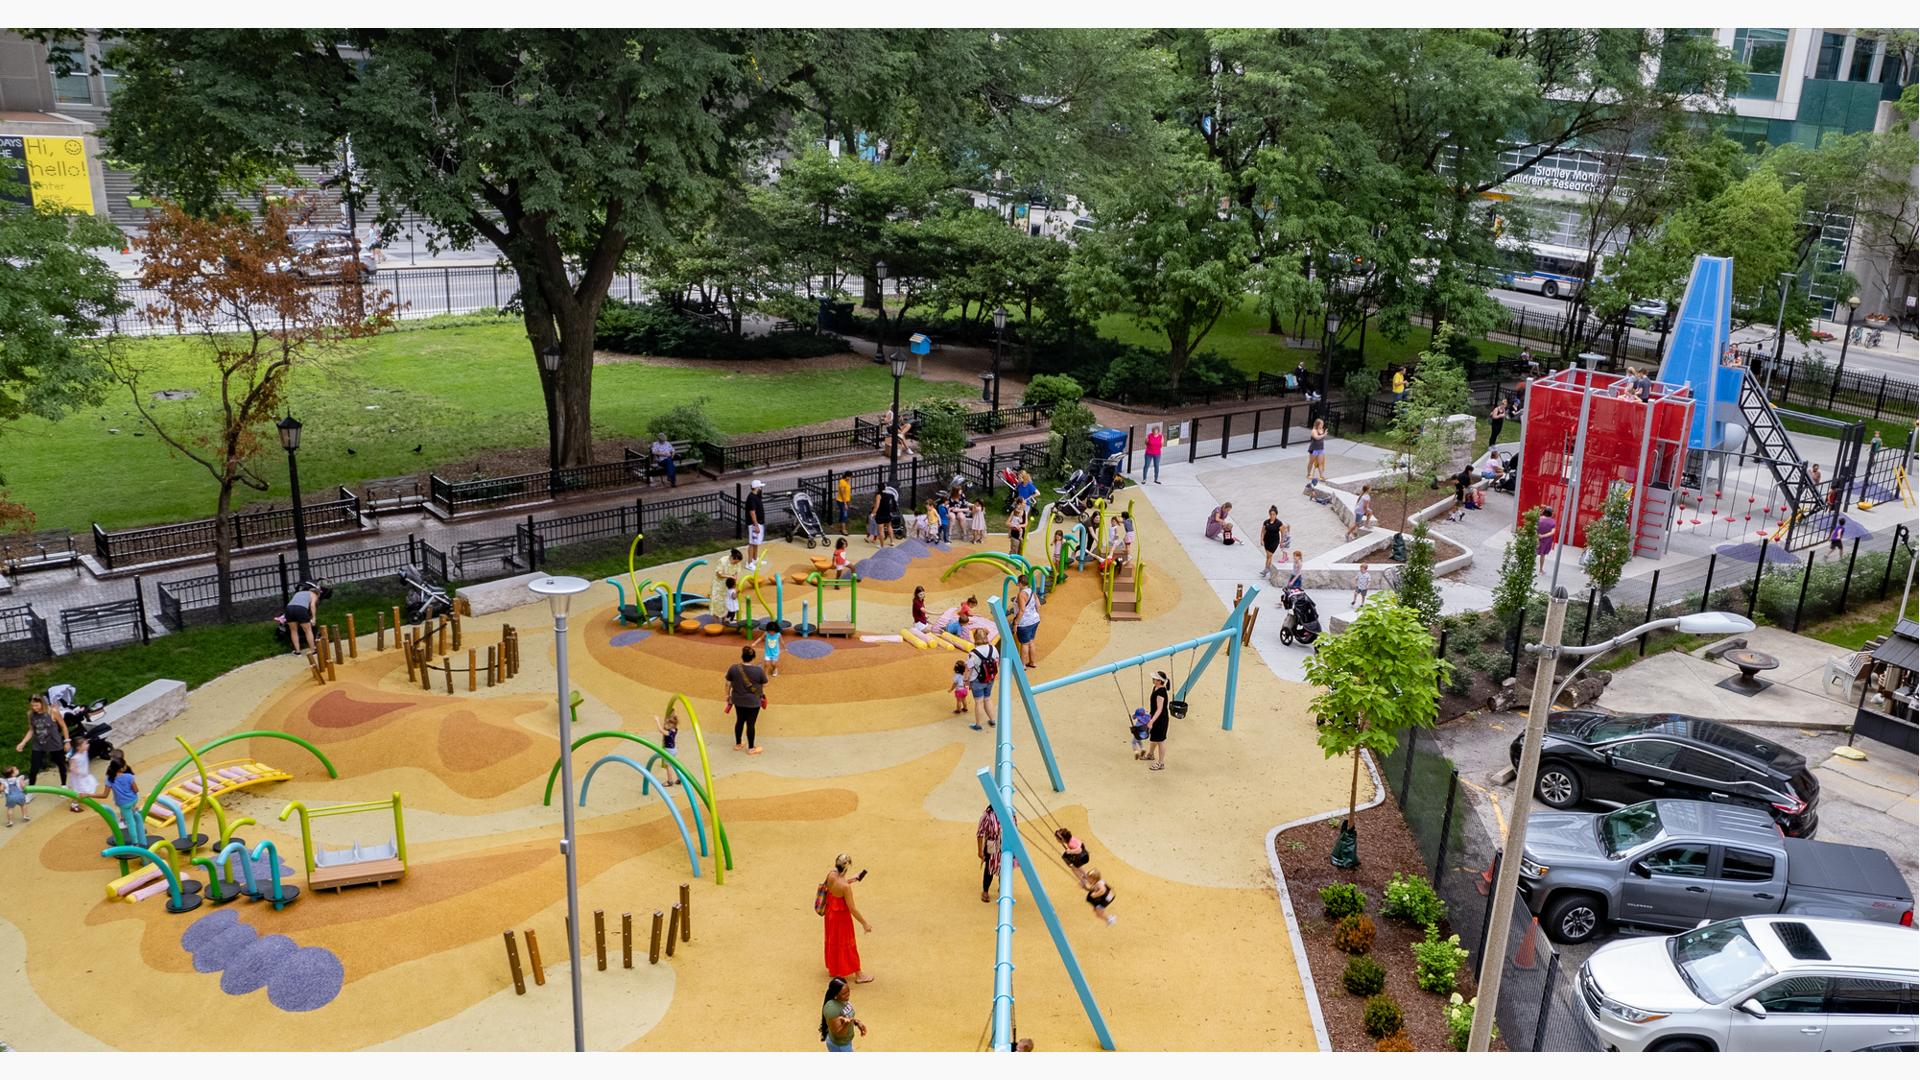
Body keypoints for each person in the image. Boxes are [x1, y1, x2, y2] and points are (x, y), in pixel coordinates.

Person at [820, 854, 872, 983]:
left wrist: (850, 879)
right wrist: (865, 923)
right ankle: (859, 975)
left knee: (833, 941)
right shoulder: (845, 887)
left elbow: (834, 886)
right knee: (848, 945)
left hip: (830, 914)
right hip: (842, 919)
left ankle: (834, 968)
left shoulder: (831, 875)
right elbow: (852, 908)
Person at [15, 694, 68, 789]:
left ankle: (64, 785)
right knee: (34, 768)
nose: (34, 708)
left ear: (42, 703)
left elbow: (64, 726)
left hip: (54, 743)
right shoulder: (30, 714)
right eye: (32, 705)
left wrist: (67, 741)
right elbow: (31, 730)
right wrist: (23, 742)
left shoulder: (53, 712)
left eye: (36, 705)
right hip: (38, 744)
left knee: (61, 764)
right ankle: (31, 789)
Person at [725, 645, 768, 755]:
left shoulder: (734, 668)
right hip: (753, 702)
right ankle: (751, 748)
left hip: (738, 700)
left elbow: (728, 683)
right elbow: (765, 684)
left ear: (742, 656)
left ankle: (738, 744)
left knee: (739, 721)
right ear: (753, 657)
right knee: (751, 724)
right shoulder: (758, 670)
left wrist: (727, 695)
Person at [819, 977, 866, 1051]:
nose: (848, 995)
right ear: (836, 994)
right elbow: (838, 1034)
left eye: (848, 991)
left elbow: (847, 1016)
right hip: (840, 1045)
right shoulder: (832, 1009)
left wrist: (856, 1022)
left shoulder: (842, 1000)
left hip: (846, 1042)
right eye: (844, 993)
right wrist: (846, 1024)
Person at [284, 581, 328, 656]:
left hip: (289, 608)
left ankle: (297, 652)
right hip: (301, 609)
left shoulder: (298, 593)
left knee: (293, 630)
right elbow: (312, 606)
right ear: (317, 593)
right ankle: (313, 650)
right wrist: (313, 618)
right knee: (308, 630)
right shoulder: (314, 594)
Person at [967, 628, 999, 731]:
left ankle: (978, 725)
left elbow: (969, 669)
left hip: (977, 680)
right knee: (987, 698)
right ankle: (992, 720)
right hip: (990, 678)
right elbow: (997, 661)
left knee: (978, 702)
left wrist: (965, 681)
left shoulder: (973, 653)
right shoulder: (993, 648)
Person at [977, 803, 1009, 903]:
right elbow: (980, 833)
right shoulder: (987, 815)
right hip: (992, 843)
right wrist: (980, 851)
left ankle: (1002, 888)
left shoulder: (1008, 811)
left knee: (1004, 866)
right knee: (989, 867)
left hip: (1004, 842)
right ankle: (985, 891)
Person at [65, 734, 99, 813]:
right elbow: (72, 768)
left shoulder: (84, 752)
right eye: (85, 744)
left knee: (87, 787)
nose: (88, 745)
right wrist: (80, 772)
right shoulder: (75, 757)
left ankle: (83, 798)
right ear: (78, 747)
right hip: (78, 778)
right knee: (78, 791)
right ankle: (74, 805)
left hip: (85, 776)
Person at [1145, 670, 1171, 772]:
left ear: (1159, 681)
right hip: (1155, 717)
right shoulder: (1155, 688)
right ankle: (1150, 754)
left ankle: (1161, 763)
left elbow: (1159, 709)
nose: (1153, 679)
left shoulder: (1161, 693)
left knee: (1160, 741)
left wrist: (1151, 721)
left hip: (1160, 719)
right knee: (1154, 738)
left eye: (1155, 678)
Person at [1014, 575, 1041, 670]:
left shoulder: (1021, 594)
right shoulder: (1032, 591)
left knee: (1024, 644)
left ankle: (1022, 665)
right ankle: (1033, 662)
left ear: (1020, 583)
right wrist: (1037, 616)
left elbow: (1022, 610)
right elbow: (1038, 605)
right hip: (1035, 620)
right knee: (1031, 641)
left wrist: (1016, 623)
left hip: (1025, 622)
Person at [652, 707, 681, 787]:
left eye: (667, 723)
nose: (665, 724)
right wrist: (673, 712)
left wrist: (657, 721)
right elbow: (674, 719)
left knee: (668, 766)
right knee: (674, 764)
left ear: (671, 725)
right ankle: (679, 778)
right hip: (674, 749)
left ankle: (670, 781)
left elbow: (661, 730)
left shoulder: (669, 733)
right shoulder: (675, 729)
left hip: (669, 751)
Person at [711, 549, 745, 614]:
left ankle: (725, 620)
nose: (736, 564)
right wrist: (730, 577)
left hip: (729, 585)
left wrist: (734, 579)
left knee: (727, 604)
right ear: (732, 558)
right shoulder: (722, 561)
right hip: (719, 585)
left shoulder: (737, 563)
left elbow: (736, 572)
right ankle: (716, 621)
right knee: (717, 604)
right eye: (735, 562)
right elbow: (719, 574)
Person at [745, 479, 767, 564]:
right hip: (754, 524)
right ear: (757, 488)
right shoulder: (751, 498)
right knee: (752, 542)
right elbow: (752, 512)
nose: (761, 489)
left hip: (759, 522)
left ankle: (755, 559)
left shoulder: (756, 496)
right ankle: (749, 563)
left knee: (756, 542)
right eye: (760, 487)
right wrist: (756, 525)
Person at [1261, 507, 1284, 577]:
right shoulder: (1266, 522)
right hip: (1266, 540)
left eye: (1273, 514)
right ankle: (1268, 568)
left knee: (1269, 555)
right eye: (1271, 514)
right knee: (1269, 556)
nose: (1272, 516)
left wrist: (1281, 541)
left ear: (1276, 515)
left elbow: (1282, 533)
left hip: (1274, 541)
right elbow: (1262, 532)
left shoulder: (1279, 523)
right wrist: (1261, 540)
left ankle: (1266, 569)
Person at [1535, 506, 1558, 575]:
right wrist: (1543, 536)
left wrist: (1538, 535)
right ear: (1551, 513)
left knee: (1533, 553)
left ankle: (1528, 568)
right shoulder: (1552, 522)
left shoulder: (1538, 519)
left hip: (1536, 538)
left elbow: (1534, 528)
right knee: (1542, 555)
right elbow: (1552, 532)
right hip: (1546, 541)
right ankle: (1540, 570)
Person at [1307, 417, 1328, 482]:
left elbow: (1322, 438)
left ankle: (1321, 476)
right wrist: (1324, 435)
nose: (1322, 425)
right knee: (1311, 462)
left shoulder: (1322, 430)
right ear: (1317, 424)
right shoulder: (1314, 431)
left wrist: (1324, 434)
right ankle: (1308, 474)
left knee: (1320, 463)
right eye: (1321, 424)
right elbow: (1316, 438)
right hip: (1314, 449)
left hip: (1321, 449)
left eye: (1323, 424)